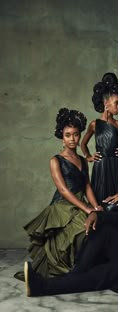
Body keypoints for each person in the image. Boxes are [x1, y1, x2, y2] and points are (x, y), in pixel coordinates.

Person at [14, 108, 102, 280]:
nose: (72, 139)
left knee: (92, 229)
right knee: (74, 232)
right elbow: (63, 190)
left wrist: (96, 206)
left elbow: (87, 186)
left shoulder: (83, 160)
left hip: (80, 201)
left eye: (75, 135)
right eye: (68, 135)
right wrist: (87, 208)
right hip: (63, 204)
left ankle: (77, 268)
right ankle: (60, 270)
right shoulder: (56, 160)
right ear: (62, 137)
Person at [81, 73, 118, 204]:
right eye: (116, 103)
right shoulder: (94, 124)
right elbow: (83, 144)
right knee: (100, 201)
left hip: (117, 166)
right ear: (106, 103)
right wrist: (88, 157)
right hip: (100, 167)